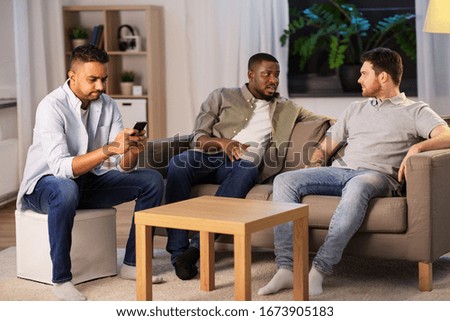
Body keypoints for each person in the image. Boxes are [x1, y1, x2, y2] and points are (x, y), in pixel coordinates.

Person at [258, 47, 450, 297]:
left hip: (378, 177)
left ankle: (320, 268)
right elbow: (327, 145)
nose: (358, 79)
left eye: (364, 74)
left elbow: (446, 134)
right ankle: (286, 268)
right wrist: (314, 163)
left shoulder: (415, 110)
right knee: (285, 180)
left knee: (358, 185)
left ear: (383, 77)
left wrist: (417, 147)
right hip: (342, 172)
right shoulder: (355, 109)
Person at [16, 45, 165, 301]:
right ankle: (61, 279)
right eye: (93, 79)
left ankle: (132, 264)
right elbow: (62, 168)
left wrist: (132, 150)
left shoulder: (107, 104)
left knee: (151, 180)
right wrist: (109, 149)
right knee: (65, 188)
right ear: (72, 76)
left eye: (104, 79)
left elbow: (122, 165)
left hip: (85, 183)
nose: (101, 86)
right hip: (44, 187)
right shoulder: (51, 107)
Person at [164, 52, 325, 281]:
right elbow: (197, 138)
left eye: (276, 75)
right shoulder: (221, 96)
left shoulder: (288, 108)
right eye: (267, 74)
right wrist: (224, 143)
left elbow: (325, 119)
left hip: (243, 165)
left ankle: (195, 250)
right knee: (178, 163)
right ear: (251, 74)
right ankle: (178, 251)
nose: (274, 80)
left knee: (248, 166)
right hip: (210, 156)